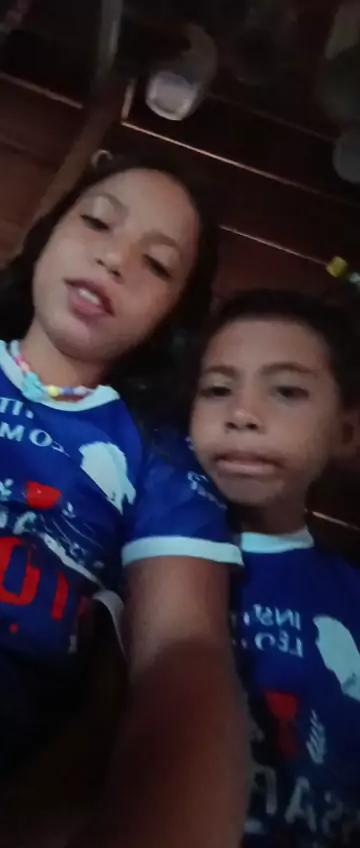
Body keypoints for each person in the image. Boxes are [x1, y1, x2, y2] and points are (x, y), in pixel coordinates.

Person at [0, 153, 247, 847]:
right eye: (99, 223)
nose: (114, 259)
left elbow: (183, 654)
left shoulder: (158, 453)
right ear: (48, 235)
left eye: (157, 264)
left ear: (172, 316)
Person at [190, 287, 360, 847]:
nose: (242, 414)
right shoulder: (139, 560)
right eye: (217, 389)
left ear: (345, 433)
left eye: (287, 391)